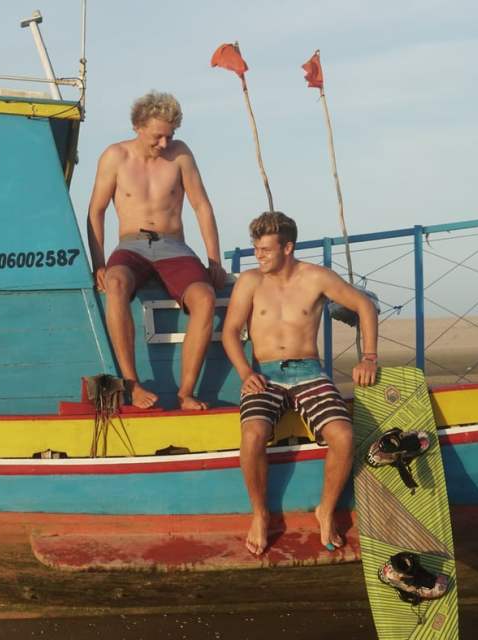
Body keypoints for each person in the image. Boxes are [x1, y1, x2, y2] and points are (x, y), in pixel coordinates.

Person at [221, 211, 378, 555]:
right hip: (265, 375)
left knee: (344, 435)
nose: (258, 256)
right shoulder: (250, 281)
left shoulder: (316, 277)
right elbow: (230, 332)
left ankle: (326, 510)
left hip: (309, 372)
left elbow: (364, 306)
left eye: (265, 249)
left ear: (288, 247)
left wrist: (369, 357)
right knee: (252, 435)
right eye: (256, 249)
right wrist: (246, 373)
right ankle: (260, 514)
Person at [87, 91, 226, 410]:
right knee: (116, 283)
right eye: (157, 136)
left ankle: (186, 393)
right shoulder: (115, 156)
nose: (164, 143)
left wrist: (214, 259)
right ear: (138, 126)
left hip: (173, 246)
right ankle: (132, 383)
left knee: (205, 298)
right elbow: (96, 210)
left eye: (170, 136)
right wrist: (99, 263)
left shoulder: (181, 155)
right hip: (131, 245)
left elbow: (201, 206)